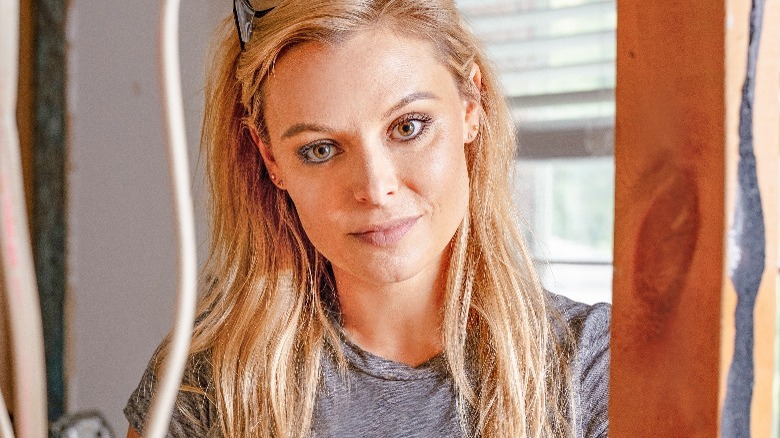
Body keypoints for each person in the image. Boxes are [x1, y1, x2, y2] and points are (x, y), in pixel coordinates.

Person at [125, 0, 610, 437]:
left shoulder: (596, 369)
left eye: (408, 126)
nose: (376, 189)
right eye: (320, 149)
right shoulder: (207, 383)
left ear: (471, 107)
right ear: (271, 159)